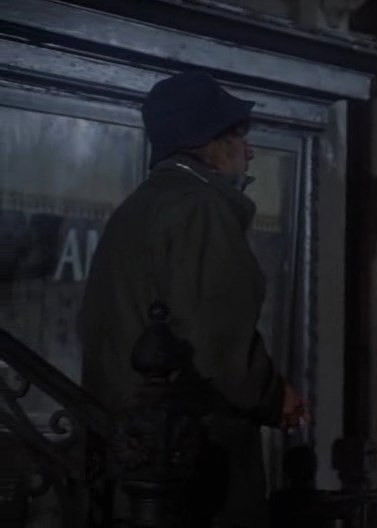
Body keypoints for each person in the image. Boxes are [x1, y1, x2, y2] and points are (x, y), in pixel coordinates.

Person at [78, 71, 308, 527]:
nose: (249, 150)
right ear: (209, 142)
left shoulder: (141, 206)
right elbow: (217, 339)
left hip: (138, 454)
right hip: (189, 457)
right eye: (238, 135)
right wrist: (272, 395)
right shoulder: (200, 206)